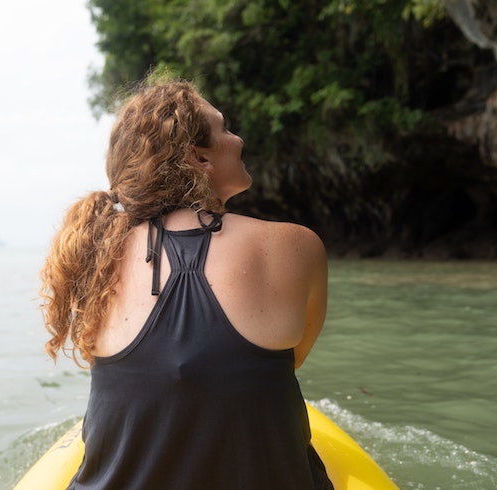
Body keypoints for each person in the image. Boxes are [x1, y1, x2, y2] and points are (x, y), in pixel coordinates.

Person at [39, 76, 332, 489]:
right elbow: (293, 357)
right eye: (225, 128)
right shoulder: (294, 246)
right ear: (199, 158)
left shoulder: (96, 256)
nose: (239, 139)